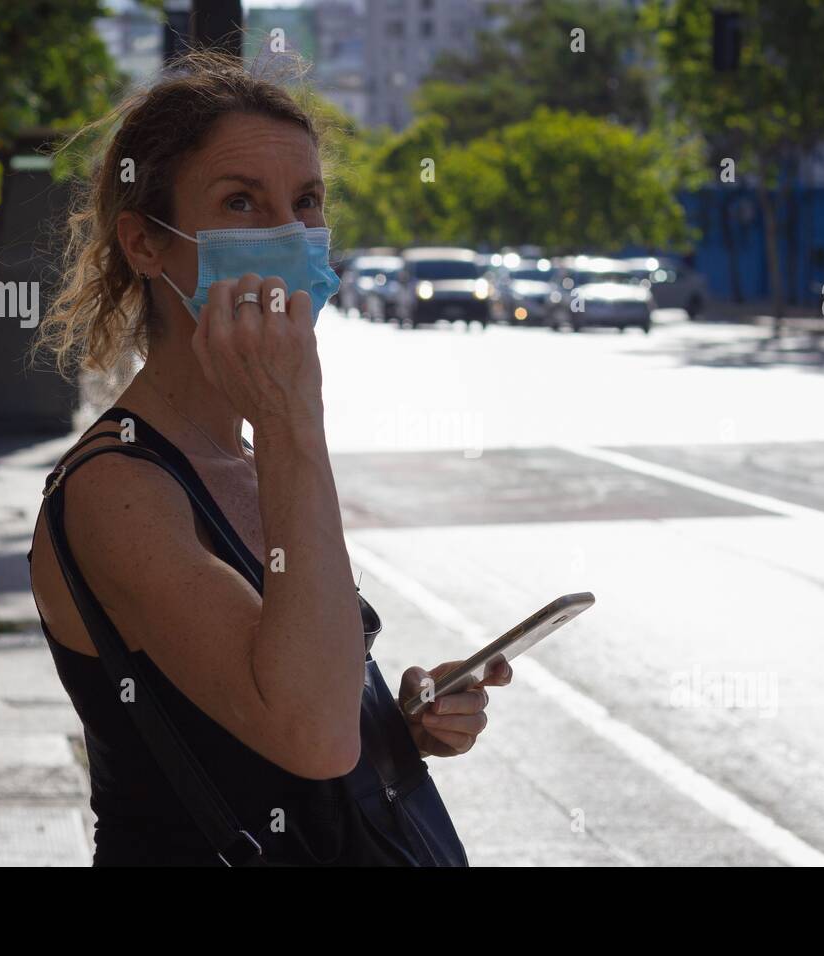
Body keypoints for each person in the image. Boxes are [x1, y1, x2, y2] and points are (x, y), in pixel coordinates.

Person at [28, 51, 510, 866]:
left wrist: (397, 725)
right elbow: (308, 739)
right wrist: (292, 417)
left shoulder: (243, 454)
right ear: (146, 243)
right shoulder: (120, 490)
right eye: (240, 202)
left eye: (307, 201)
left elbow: (300, 706)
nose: (288, 235)